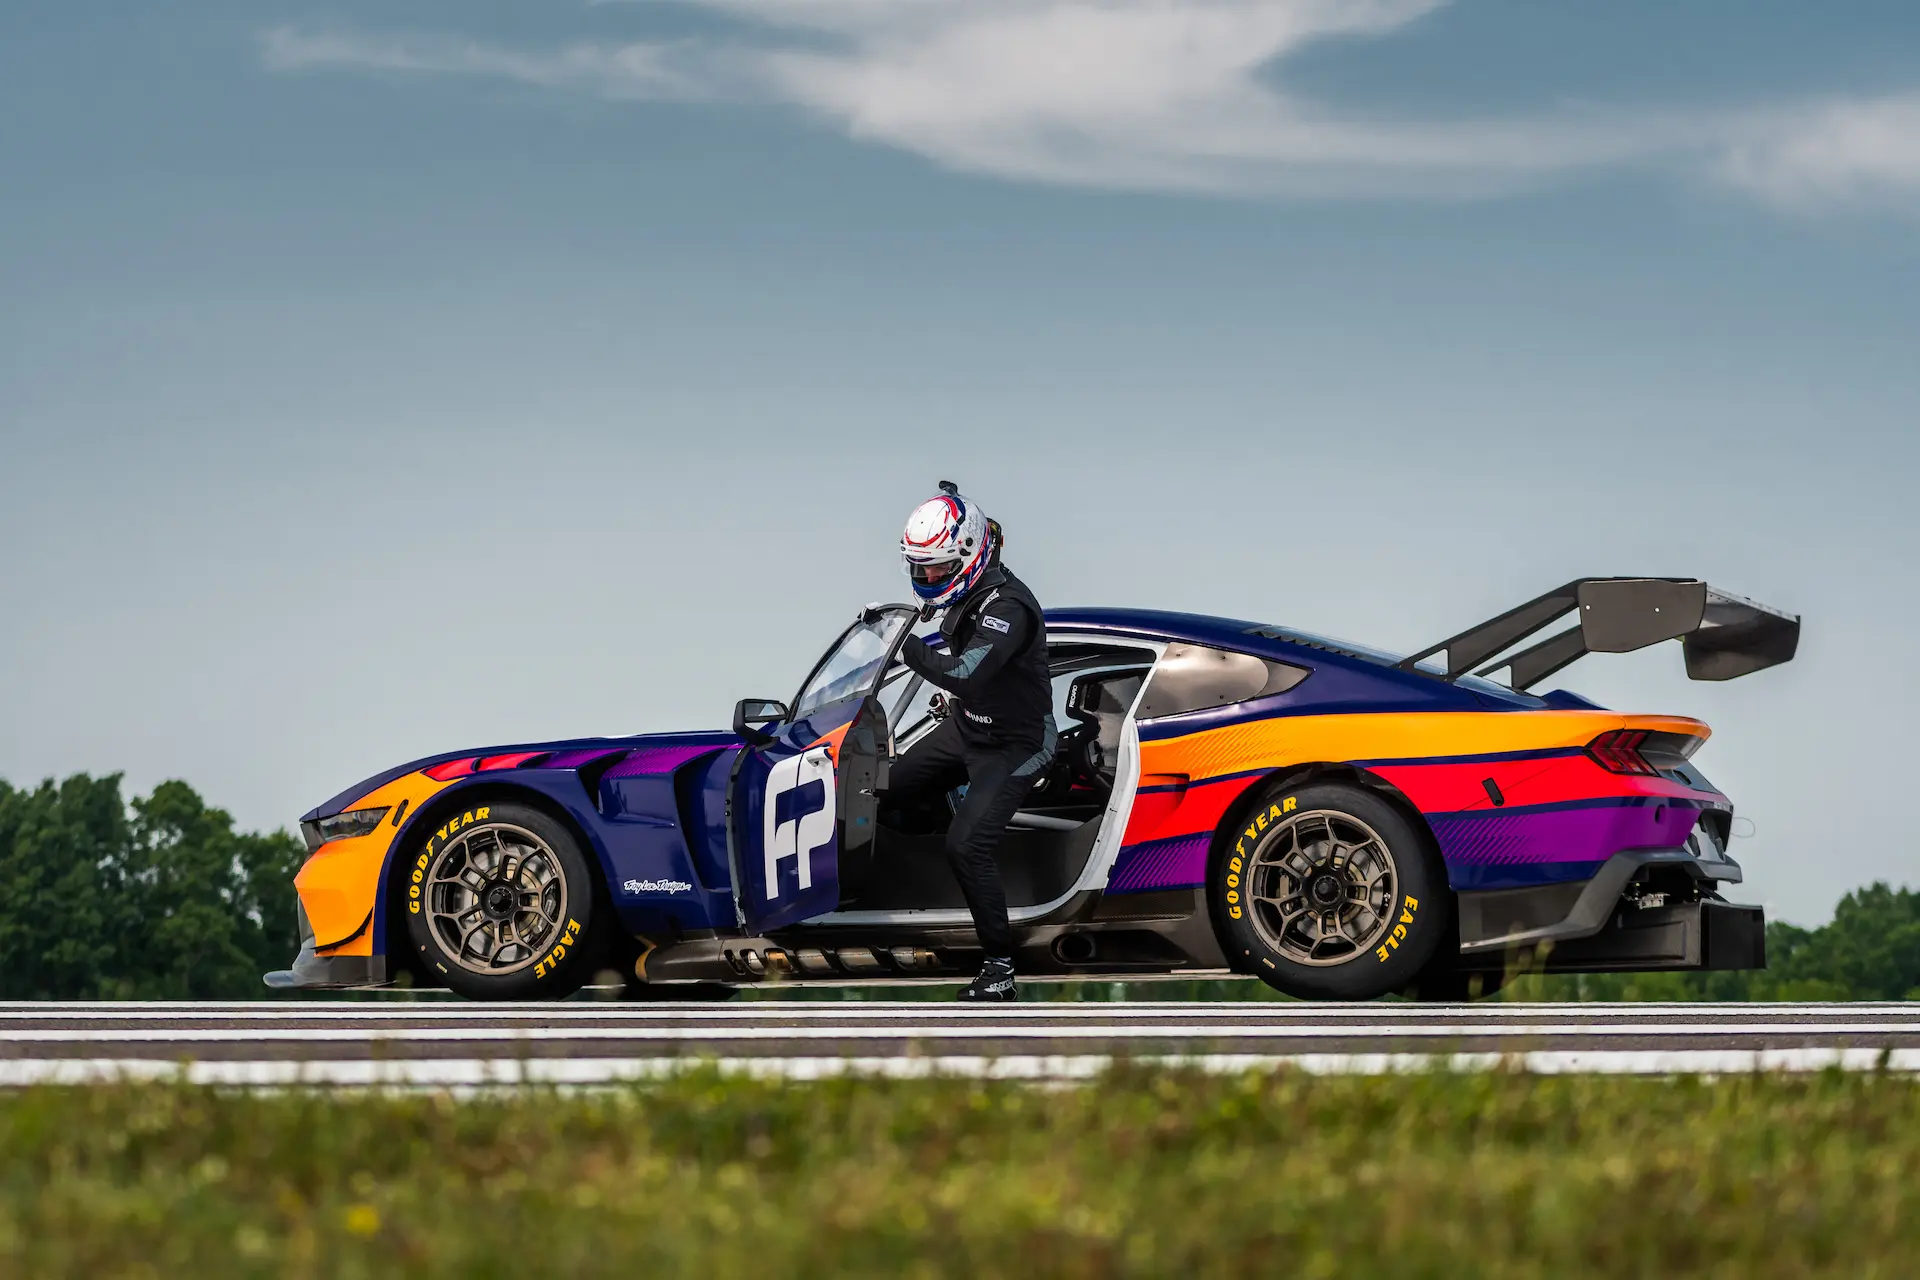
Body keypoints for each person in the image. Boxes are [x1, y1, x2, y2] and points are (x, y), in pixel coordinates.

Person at [884, 483, 1054, 1002]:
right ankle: (959, 813)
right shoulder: (969, 588)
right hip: (967, 729)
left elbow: (965, 673)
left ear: (968, 554)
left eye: (936, 568)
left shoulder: (1011, 606)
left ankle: (999, 968)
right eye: (920, 568)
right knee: (883, 795)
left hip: (1017, 743)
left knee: (966, 846)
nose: (928, 578)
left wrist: (902, 645)